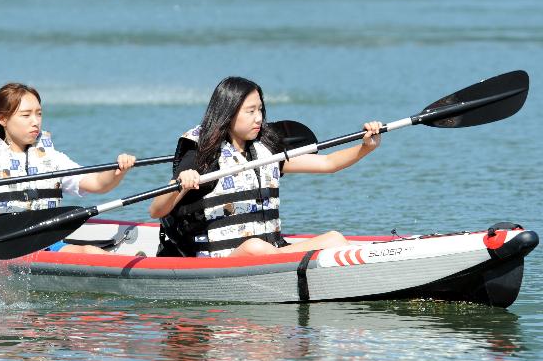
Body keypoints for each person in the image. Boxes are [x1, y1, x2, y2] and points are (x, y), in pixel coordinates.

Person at [148, 76, 381, 258]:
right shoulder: (201, 155)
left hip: (271, 252)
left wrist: (366, 147)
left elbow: (328, 163)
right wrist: (182, 185)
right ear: (228, 114)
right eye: (250, 111)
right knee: (255, 248)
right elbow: (156, 210)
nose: (259, 118)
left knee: (333, 238)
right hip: (219, 259)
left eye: (260, 109)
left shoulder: (264, 151)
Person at [0, 82, 135, 254]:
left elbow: (97, 184)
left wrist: (118, 171)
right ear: (3, 119)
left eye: (39, 113)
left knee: (90, 252)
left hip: (41, 242)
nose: (35, 122)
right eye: (26, 115)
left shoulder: (52, 158)